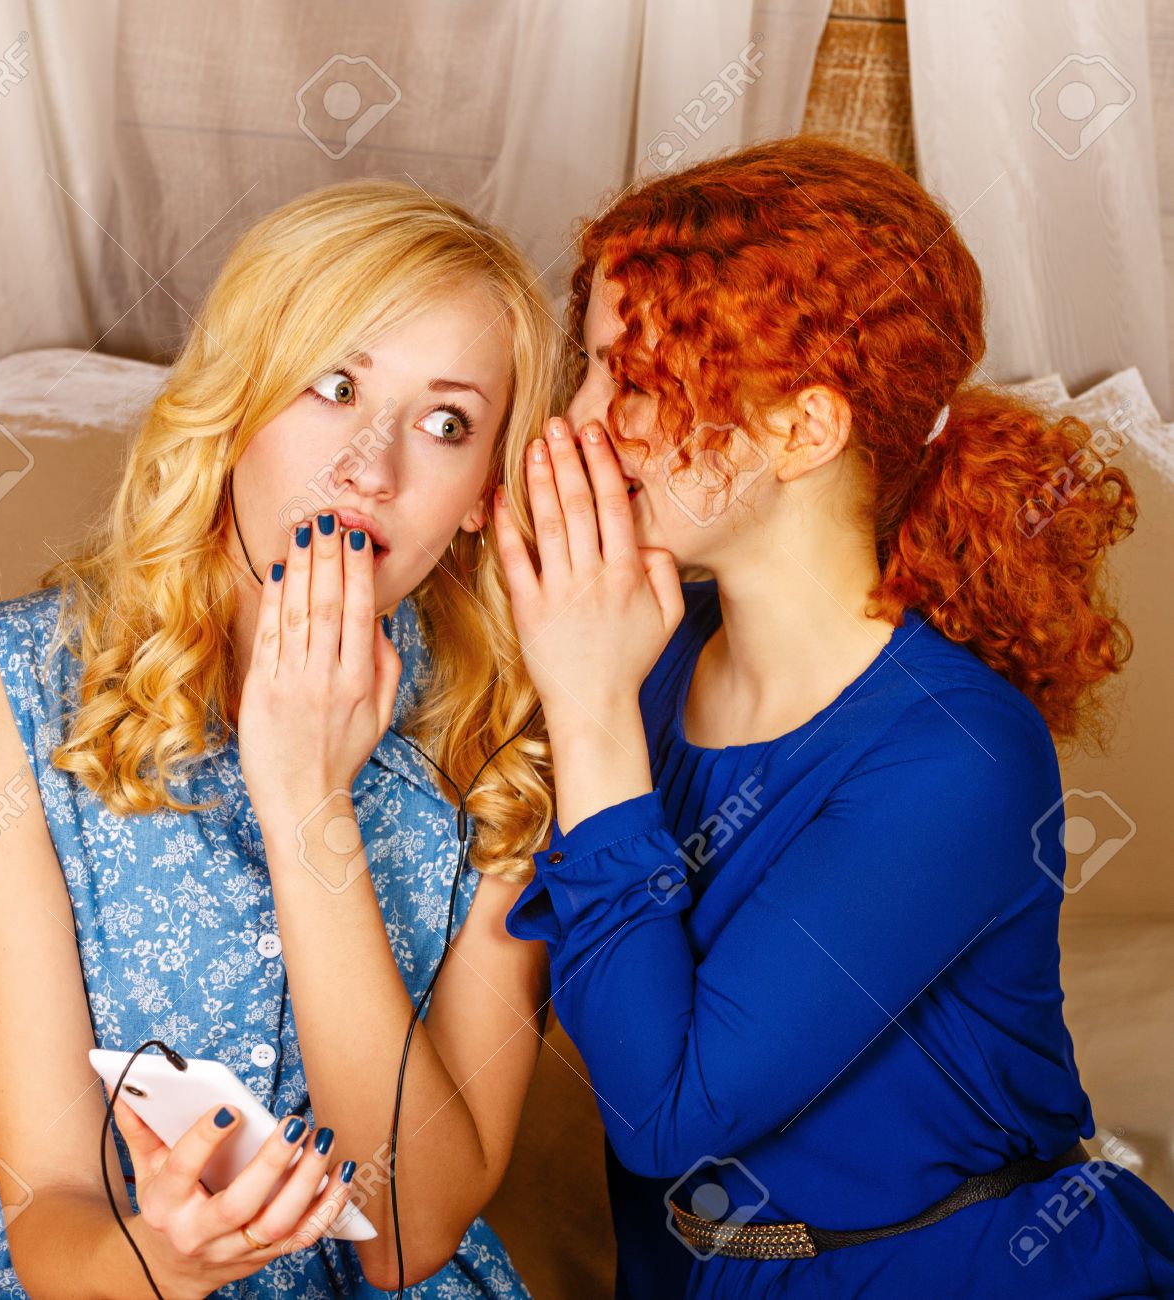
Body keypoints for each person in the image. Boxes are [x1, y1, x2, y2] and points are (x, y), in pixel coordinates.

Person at [496, 136, 1174, 1297]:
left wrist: (588, 707)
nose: (580, 420)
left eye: (636, 381)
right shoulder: (639, 651)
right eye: (589, 369)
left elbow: (667, 1114)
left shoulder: (956, 755)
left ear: (803, 431)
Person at [0, 180, 558, 1299]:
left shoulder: (503, 737)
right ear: (235, 401)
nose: (371, 466)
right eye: (334, 384)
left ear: (482, 493)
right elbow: (51, 1201)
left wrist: (307, 803)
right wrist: (169, 1258)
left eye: (447, 423)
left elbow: (405, 1237)